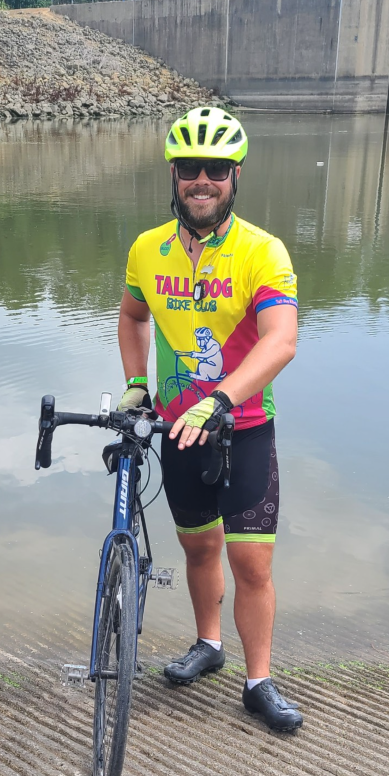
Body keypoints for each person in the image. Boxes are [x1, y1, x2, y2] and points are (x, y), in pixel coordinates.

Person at [116, 107, 303, 733]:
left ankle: (258, 682)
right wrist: (138, 384)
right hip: (179, 432)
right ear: (174, 172)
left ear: (235, 174)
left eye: (216, 169)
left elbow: (281, 342)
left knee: (252, 563)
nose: (203, 180)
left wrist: (220, 398)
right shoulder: (148, 249)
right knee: (198, 547)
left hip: (245, 429)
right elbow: (133, 317)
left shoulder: (261, 251)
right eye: (191, 168)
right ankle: (208, 644)